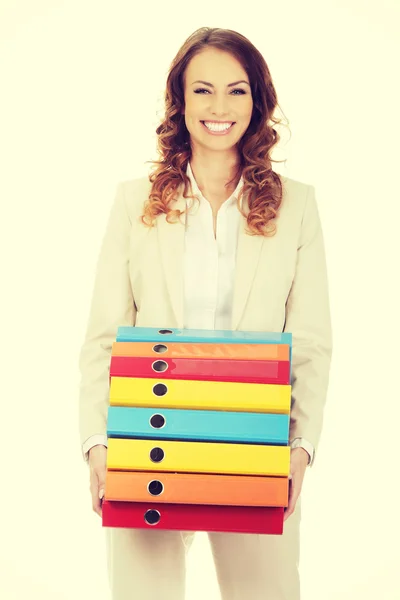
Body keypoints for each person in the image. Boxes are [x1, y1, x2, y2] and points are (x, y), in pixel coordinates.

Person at [78, 26, 332, 600]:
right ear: (180, 100)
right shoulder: (133, 202)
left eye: (237, 91)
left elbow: (312, 342)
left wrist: (301, 451)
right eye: (203, 91)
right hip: (148, 434)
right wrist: (98, 443)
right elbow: (102, 337)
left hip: (255, 442)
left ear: (258, 102)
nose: (219, 108)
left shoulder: (297, 207)